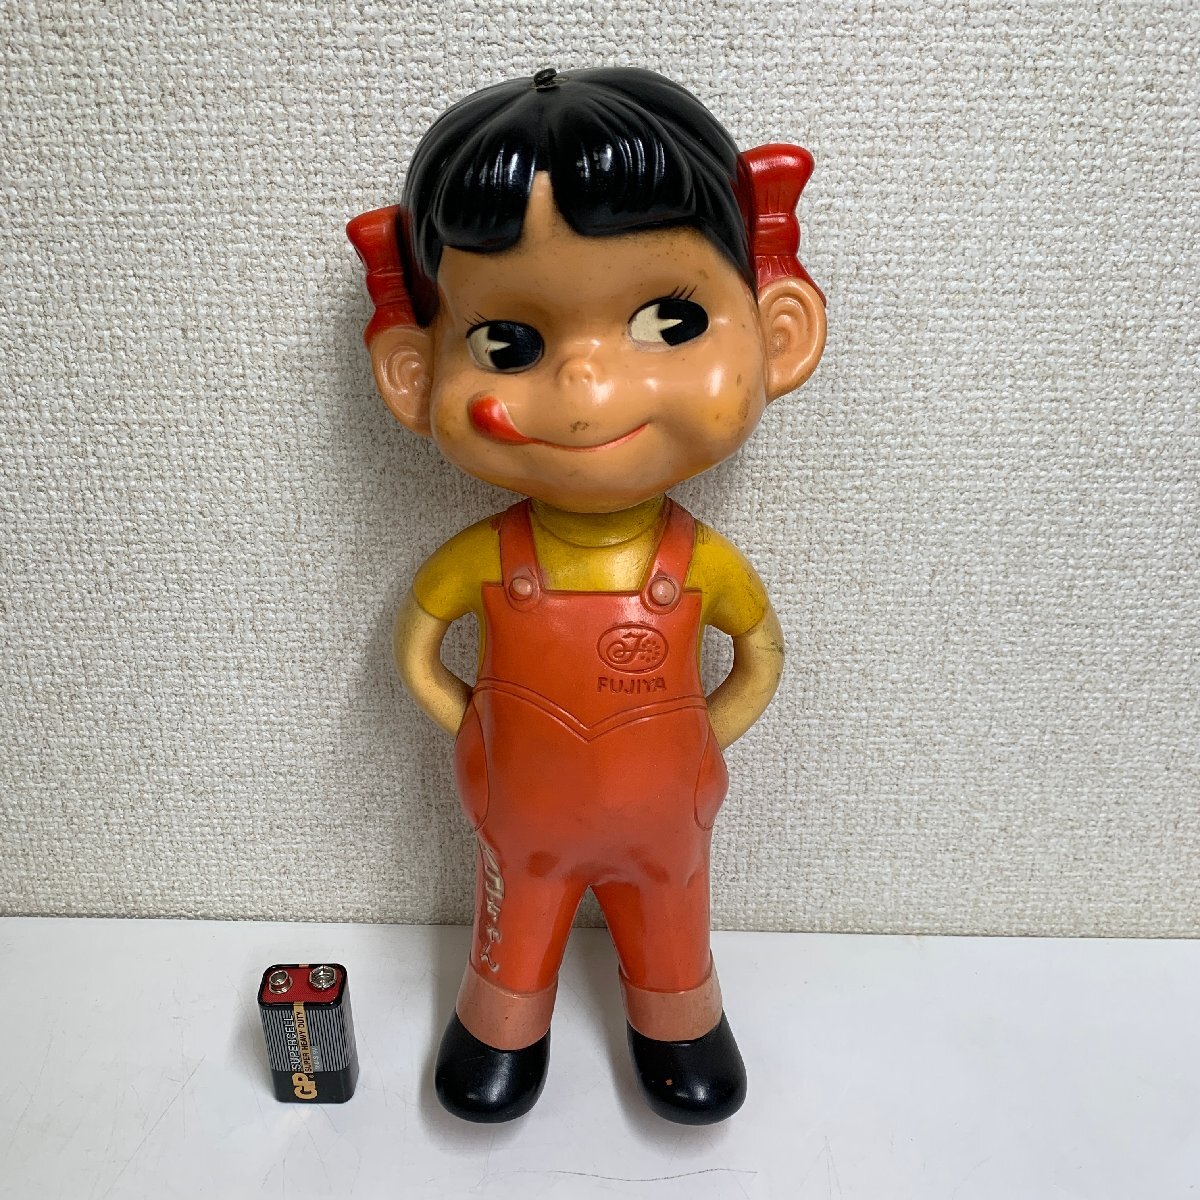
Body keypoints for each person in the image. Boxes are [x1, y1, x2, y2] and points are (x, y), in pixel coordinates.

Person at [348, 66, 826, 1125]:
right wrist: (474, 727)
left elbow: (763, 656)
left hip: (668, 816)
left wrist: (702, 737)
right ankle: (500, 1024)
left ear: (779, 329)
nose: (586, 389)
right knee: (514, 913)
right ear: (413, 373)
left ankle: (679, 1020)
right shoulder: (485, 556)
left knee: (673, 910)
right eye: (508, 343)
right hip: (522, 812)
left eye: (667, 321)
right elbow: (417, 646)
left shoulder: (699, 560)